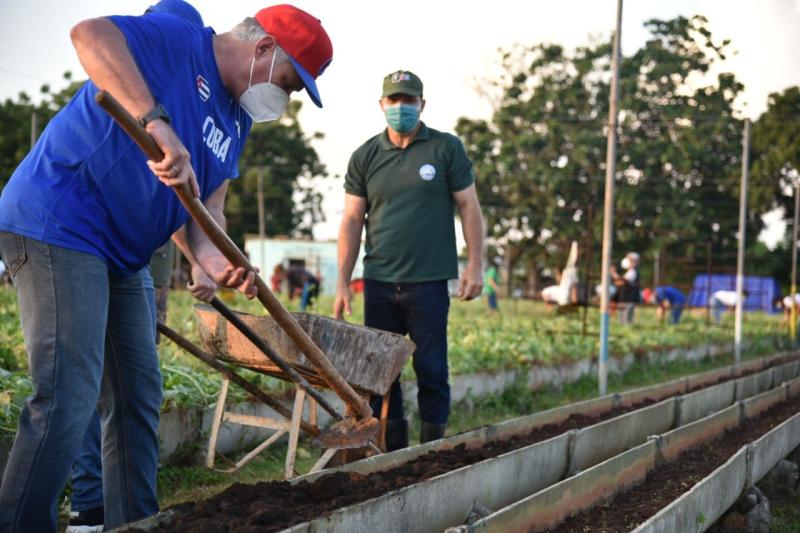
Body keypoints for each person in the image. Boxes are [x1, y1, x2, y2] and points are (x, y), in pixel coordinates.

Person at [0, 4, 332, 531]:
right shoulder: (179, 39)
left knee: (137, 396)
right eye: (290, 84)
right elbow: (89, 35)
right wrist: (156, 120)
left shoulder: (237, 119)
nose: (285, 100)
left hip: (122, 254)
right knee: (68, 392)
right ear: (266, 49)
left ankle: (135, 524)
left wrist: (213, 260)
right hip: (61, 221)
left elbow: (206, 208)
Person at [333, 70, 484, 450]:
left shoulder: (446, 149)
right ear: (382, 105)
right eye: (394, 100)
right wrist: (342, 282)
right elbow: (352, 219)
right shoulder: (365, 156)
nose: (401, 107)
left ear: (422, 105)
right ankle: (393, 452)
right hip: (380, 280)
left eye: (409, 100)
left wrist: (475, 264)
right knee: (383, 374)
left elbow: (469, 206)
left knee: (432, 369)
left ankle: (433, 449)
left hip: (428, 281)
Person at [611, 252, 640, 324]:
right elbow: (619, 282)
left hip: (628, 300)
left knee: (626, 322)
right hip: (623, 299)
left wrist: (614, 273)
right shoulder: (628, 272)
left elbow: (622, 281)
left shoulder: (633, 272)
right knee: (622, 321)